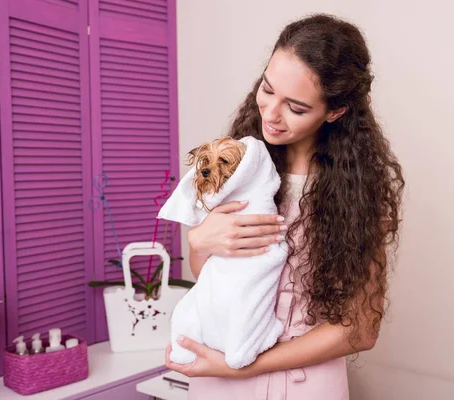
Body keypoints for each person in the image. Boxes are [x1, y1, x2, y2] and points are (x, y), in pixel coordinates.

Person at [165, 13, 404, 399]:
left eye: (295, 107)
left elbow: (360, 328)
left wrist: (245, 366)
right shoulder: (241, 165)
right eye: (267, 88)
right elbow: (214, 280)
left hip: (299, 380)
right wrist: (200, 242)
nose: (271, 114)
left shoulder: (357, 195)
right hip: (219, 368)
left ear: (335, 111)